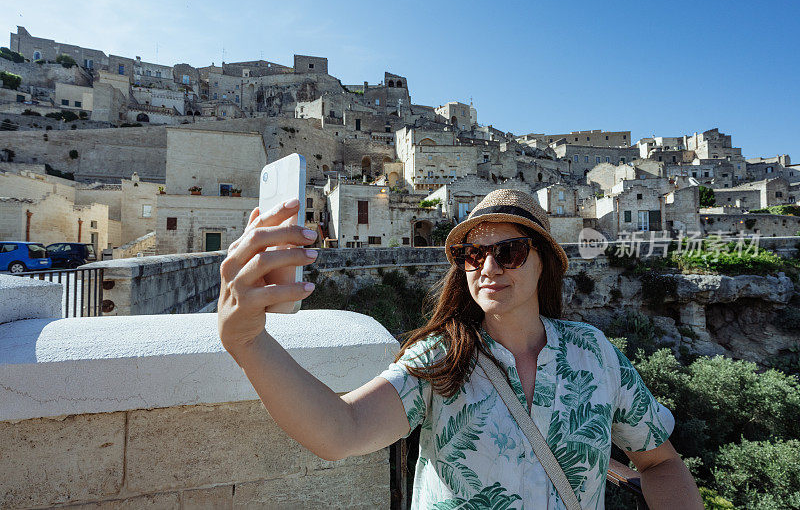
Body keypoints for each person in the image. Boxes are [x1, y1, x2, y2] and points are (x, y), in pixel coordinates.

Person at [218, 189, 703, 509]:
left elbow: (660, 462)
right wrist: (248, 343)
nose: (488, 265)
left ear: (544, 265)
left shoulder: (594, 355)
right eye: (473, 253)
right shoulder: (440, 358)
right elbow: (340, 431)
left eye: (508, 251)